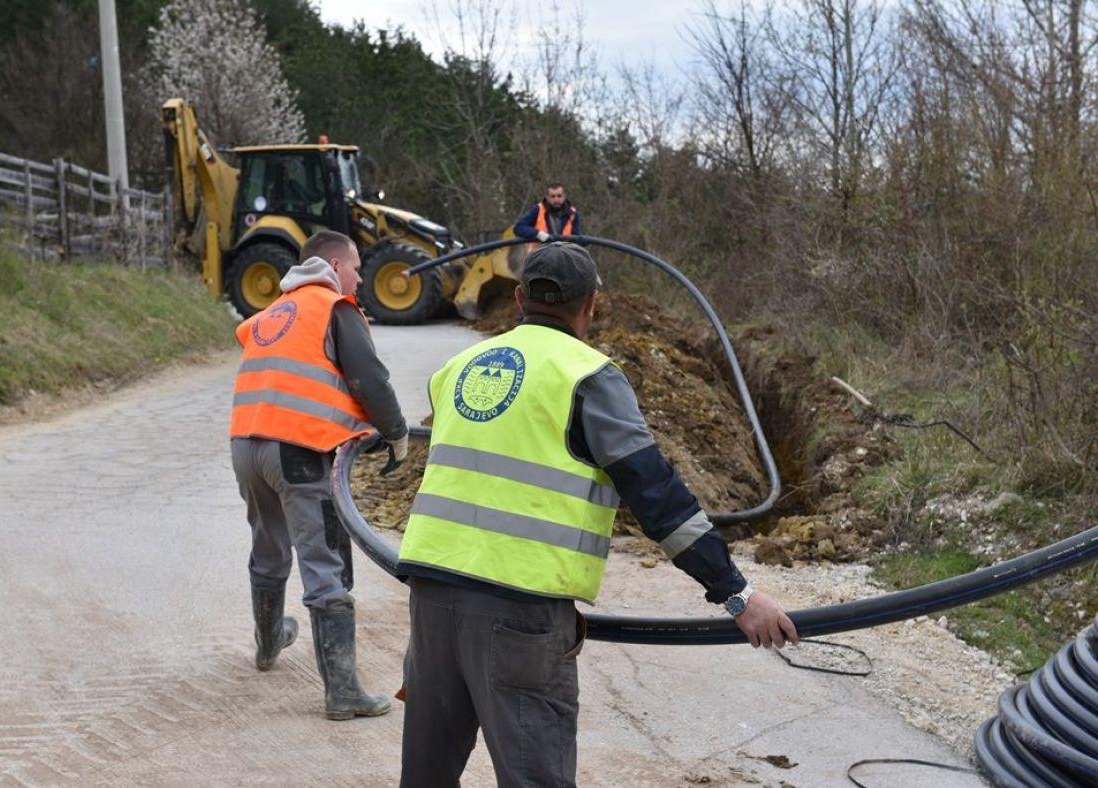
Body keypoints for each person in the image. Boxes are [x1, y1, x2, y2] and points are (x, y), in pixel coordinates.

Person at [396, 243, 798, 787]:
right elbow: (657, 497)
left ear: (518, 299)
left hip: (431, 595)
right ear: (592, 305)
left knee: (426, 776)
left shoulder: (456, 369)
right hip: (521, 609)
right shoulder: (588, 376)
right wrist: (737, 594)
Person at [230, 229, 408, 720]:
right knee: (323, 561)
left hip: (246, 444)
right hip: (298, 451)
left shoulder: (272, 314)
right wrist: (395, 432)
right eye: (355, 268)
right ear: (332, 266)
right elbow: (368, 378)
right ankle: (344, 692)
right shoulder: (334, 308)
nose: (359, 278)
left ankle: (268, 644)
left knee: (268, 547)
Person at [514, 182, 582, 243]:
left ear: (564, 196)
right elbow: (519, 228)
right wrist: (538, 234)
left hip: (565, 252)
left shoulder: (573, 214)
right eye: (552, 196)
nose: (556, 200)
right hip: (540, 252)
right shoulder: (538, 210)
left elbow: (577, 238)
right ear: (547, 198)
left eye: (559, 196)